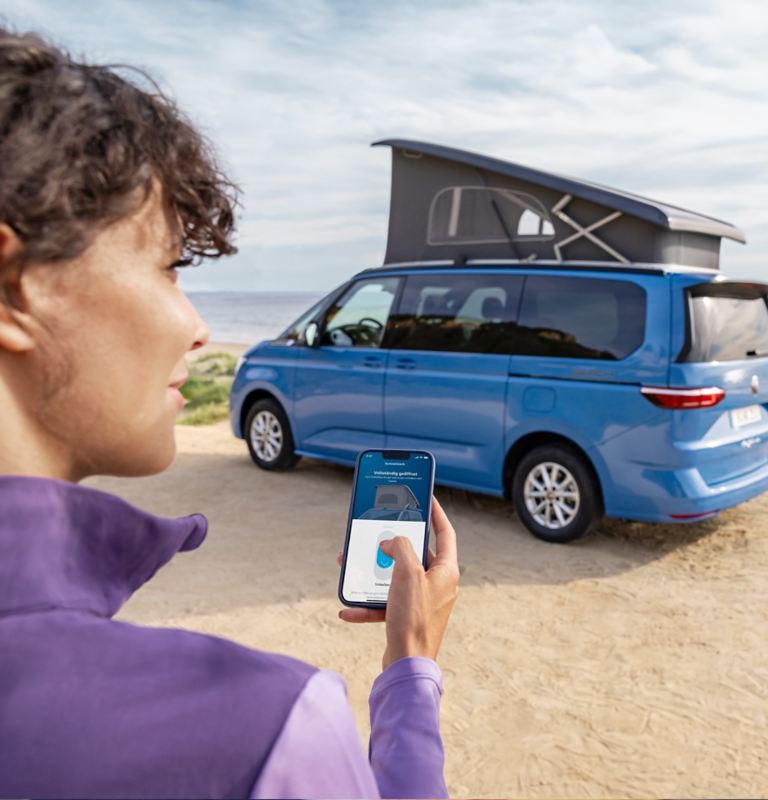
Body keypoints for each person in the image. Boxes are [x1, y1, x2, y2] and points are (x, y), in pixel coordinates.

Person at [0, 28, 460, 799]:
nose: (197, 326)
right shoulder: (259, 730)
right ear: (17, 285)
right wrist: (411, 666)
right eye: (169, 265)